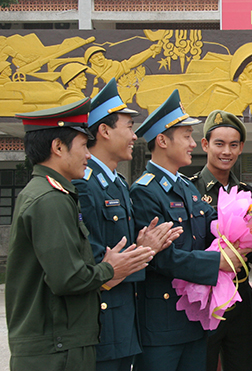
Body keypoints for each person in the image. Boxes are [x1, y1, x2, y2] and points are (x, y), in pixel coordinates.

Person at [6, 98, 154, 371]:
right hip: (56, 346)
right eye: (84, 145)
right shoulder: (49, 199)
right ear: (58, 147)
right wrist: (110, 269)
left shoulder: (53, 193)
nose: (88, 154)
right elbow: (68, 278)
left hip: (63, 342)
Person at [130, 89, 250, 371]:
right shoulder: (145, 193)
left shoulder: (185, 186)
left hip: (194, 319)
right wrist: (217, 261)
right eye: (186, 136)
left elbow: (213, 226)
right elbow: (161, 258)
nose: (193, 144)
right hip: (162, 323)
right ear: (162, 140)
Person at [72, 79, 182, 371]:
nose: (134, 136)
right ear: (105, 131)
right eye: (129, 126)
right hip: (101, 322)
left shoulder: (117, 183)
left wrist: (144, 247)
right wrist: (144, 250)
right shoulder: (85, 185)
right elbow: (91, 262)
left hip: (124, 321)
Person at [191, 110, 252, 371]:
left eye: (234, 145)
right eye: (219, 144)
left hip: (240, 297)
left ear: (241, 147)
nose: (227, 152)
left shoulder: (247, 194)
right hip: (203, 298)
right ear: (205, 144)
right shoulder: (190, 191)